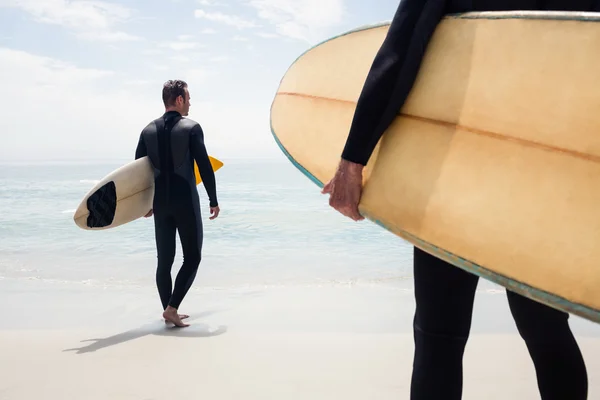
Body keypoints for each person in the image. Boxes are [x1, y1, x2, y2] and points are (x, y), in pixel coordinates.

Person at [321, 1, 598, 399]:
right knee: (547, 330)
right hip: (542, 182)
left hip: (454, 174)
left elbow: (399, 55)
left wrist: (353, 160)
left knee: (439, 334)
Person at [135, 79, 220, 328]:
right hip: (185, 202)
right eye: (188, 97)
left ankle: (168, 310)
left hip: (160, 203)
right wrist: (213, 199)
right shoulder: (192, 128)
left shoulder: (147, 131)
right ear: (180, 99)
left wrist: (145, 204)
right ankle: (172, 309)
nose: (190, 102)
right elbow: (204, 167)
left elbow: (139, 173)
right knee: (192, 257)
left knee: (165, 260)